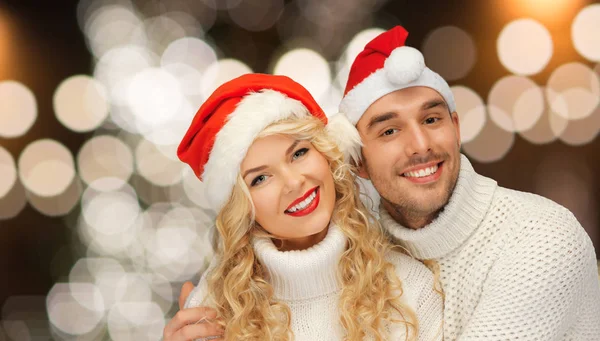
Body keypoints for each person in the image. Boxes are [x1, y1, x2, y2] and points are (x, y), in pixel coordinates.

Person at [336, 25, 600, 340]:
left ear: (456, 129)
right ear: (357, 161)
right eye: (389, 131)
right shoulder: (363, 260)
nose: (420, 145)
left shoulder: (542, 237)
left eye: (431, 120)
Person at [163, 74, 443, 341]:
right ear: (241, 207)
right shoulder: (213, 311)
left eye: (299, 153)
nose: (294, 182)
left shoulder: (409, 288)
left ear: (327, 156)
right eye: (260, 178)